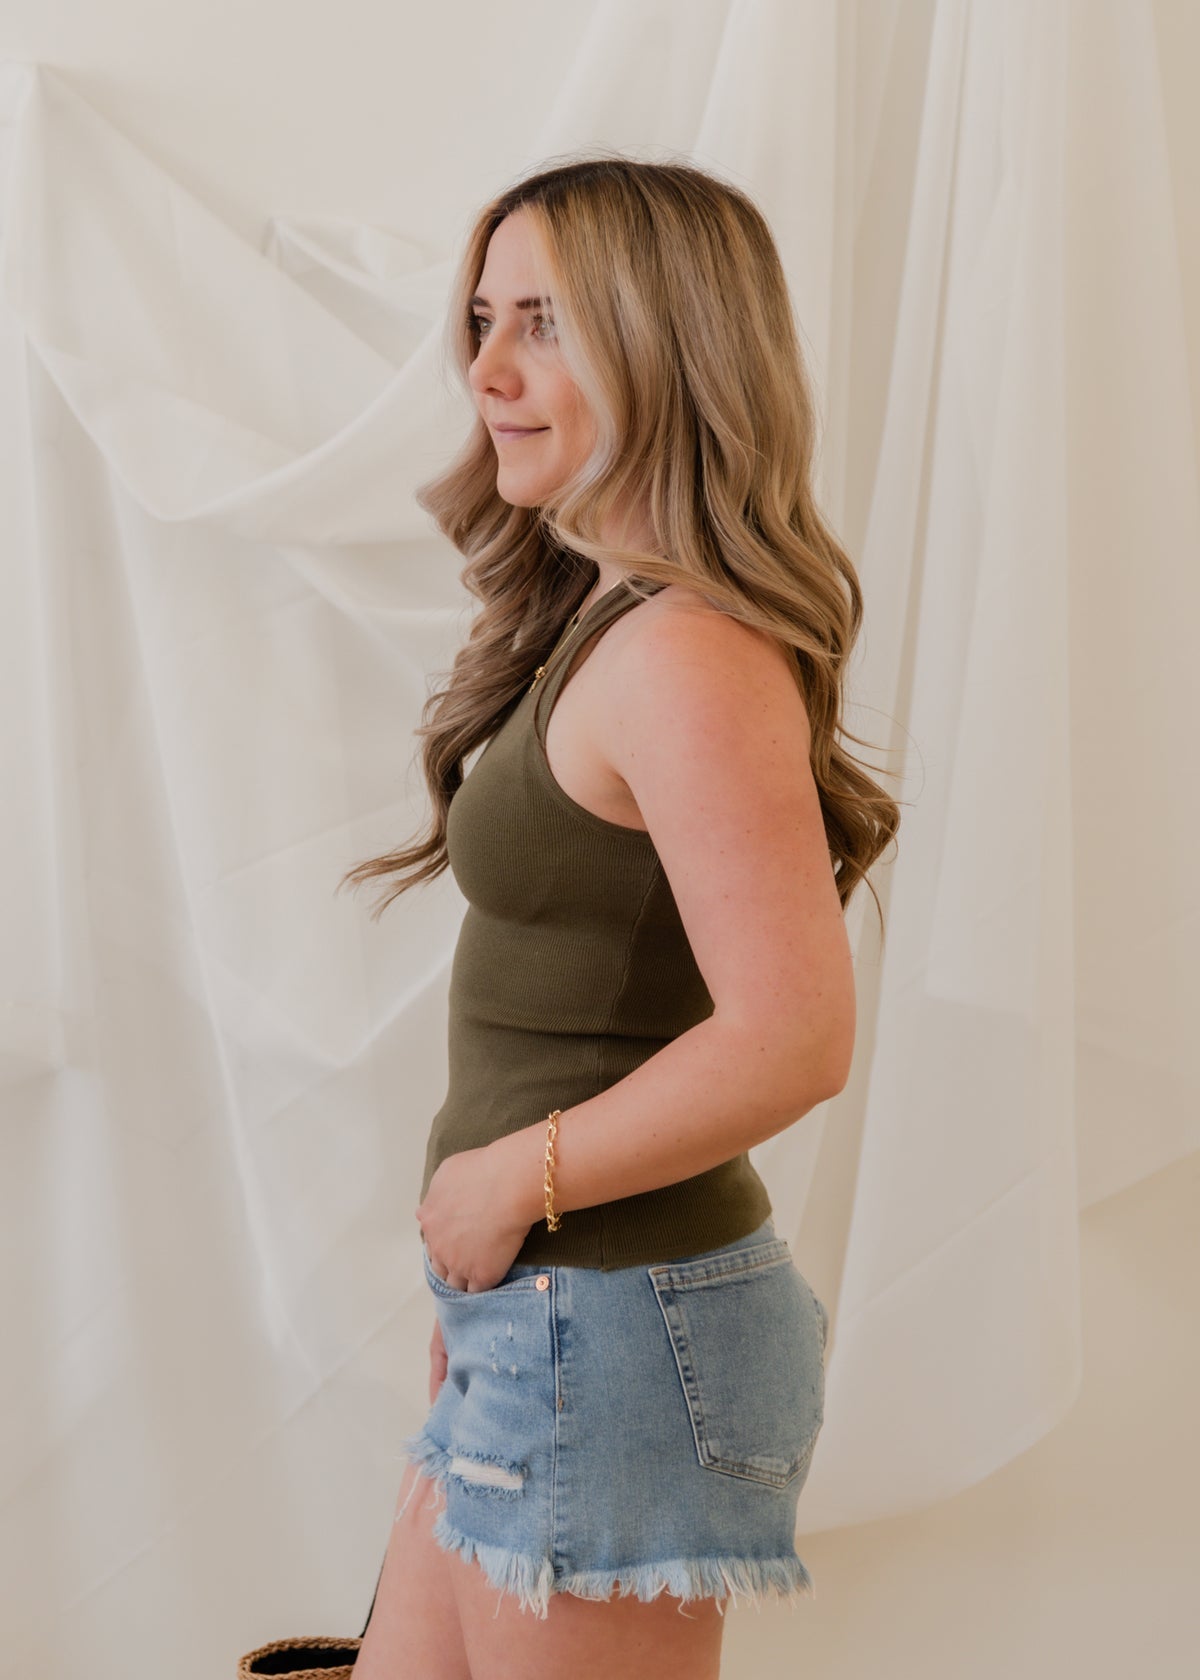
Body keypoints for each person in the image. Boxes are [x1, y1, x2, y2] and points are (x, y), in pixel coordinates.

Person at [337, 154, 900, 1680]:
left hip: (614, 1323)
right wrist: (489, 1259)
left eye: (545, 323)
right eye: (482, 319)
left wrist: (505, 1185)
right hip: (553, 1315)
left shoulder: (686, 656)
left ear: (672, 346)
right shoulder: (604, 619)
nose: (487, 369)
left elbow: (794, 1035)